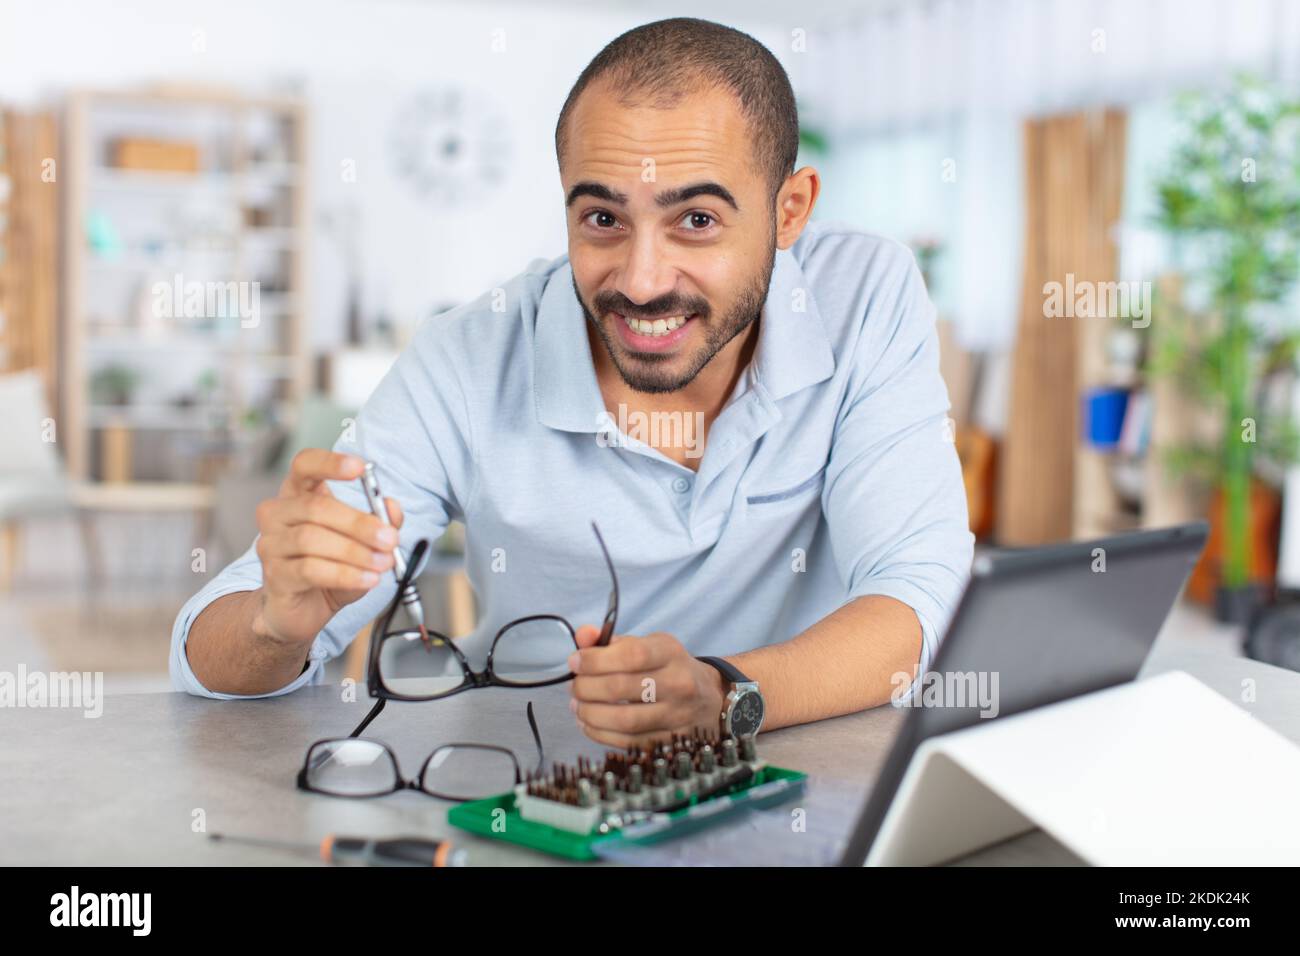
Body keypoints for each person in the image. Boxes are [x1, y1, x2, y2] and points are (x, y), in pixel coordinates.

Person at [172, 17, 973, 748]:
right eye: (602, 219)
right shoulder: (469, 355)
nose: (643, 279)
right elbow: (201, 655)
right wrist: (278, 629)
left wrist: (725, 692)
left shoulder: (862, 294)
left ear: (789, 211)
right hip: (537, 781)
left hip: (808, 769)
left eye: (696, 220)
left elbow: (919, 592)